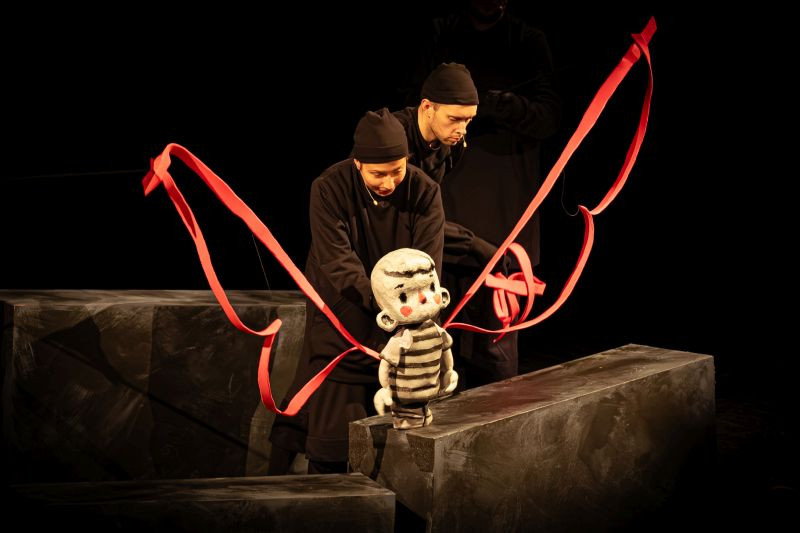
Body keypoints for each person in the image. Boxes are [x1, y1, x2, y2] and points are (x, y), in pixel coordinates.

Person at [267, 108, 445, 475]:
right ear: (358, 163)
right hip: (343, 299)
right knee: (332, 388)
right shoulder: (328, 187)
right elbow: (337, 260)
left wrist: (411, 309)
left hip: (400, 308)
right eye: (378, 174)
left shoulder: (425, 191)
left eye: (397, 171)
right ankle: (317, 479)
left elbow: (427, 261)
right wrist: (385, 304)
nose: (389, 182)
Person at [398, 1, 560, 388]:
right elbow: (413, 103)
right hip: (446, 209)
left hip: (505, 211)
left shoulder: (526, 40)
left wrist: (500, 106)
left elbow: (549, 115)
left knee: (494, 347)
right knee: (433, 339)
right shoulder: (442, 32)